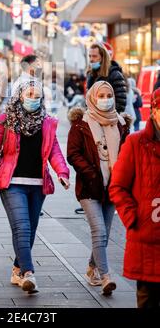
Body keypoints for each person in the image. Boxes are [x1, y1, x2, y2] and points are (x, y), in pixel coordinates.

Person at [0, 80, 70, 294]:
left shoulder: (48, 123)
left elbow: (54, 151)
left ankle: (17, 269)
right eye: (30, 92)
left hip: (38, 185)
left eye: (37, 94)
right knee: (22, 227)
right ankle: (28, 273)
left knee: (30, 230)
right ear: (20, 95)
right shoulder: (5, 120)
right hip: (12, 183)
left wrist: (62, 172)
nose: (34, 97)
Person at [67, 81, 130, 295]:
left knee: (105, 233)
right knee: (99, 231)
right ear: (93, 97)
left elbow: (128, 155)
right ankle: (105, 277)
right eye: (101, 96)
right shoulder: (81, 124)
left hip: (112, 188)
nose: (105, 100)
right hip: (89, 188)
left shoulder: (121, 123)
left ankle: (92, 268)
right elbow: (73, 153)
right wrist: (92, 173)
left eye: (108, 95)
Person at [109, 87, 160, 309]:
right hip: (146, 240)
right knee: (147, 299)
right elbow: (118, 186)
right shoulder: (135, 143)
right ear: (155, 111)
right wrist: (134, 218)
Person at [87, 43, 127, 113]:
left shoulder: (114, 74)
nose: (91, 59)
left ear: (103, 57)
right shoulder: (91, 74)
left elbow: (121, 102)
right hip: (93, 117)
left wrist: (108, 117)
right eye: (90, 56)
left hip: (109, 119)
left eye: (94, 56)